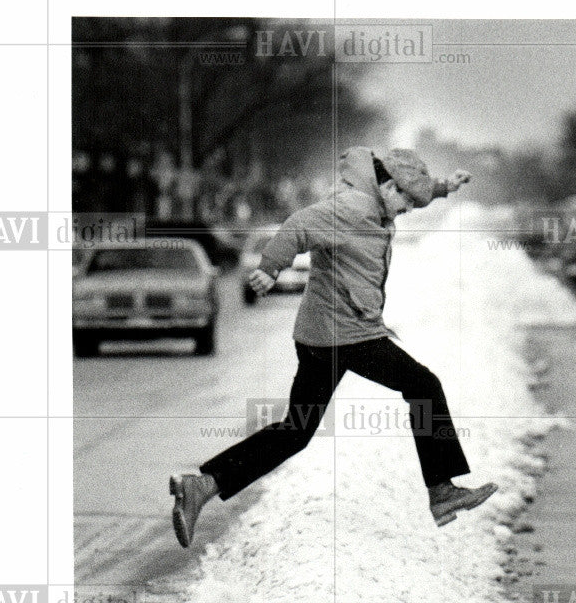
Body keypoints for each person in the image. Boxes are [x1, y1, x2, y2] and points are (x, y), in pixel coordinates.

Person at [170, 146, 497, 548]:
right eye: (406, 202)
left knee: (296, 430)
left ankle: (201, 486)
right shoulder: (352, 209)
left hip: (321, 335)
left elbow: (419, 189)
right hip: (345, 333)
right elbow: (296, 226)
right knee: (423, 385)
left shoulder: (377, 197)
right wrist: (270, 269)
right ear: (388, 186)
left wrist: (445, 187)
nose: (407, 211)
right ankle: (442, 492)